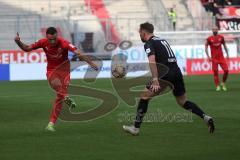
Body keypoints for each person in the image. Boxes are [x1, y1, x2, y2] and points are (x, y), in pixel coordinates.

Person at [123, 22, 215, 135]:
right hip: (176, 72)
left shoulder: (149, 43)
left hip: (164, 74)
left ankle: (135, 128)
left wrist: (155, 79)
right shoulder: (162, 40)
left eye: (140, 33)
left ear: (144, 32)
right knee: (182, 101)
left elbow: (152, 60)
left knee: (144, 96)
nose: (139, 35)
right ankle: (205, 117)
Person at [14, 27, 98, 132]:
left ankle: (51, 124)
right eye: (50, 39)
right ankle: (66, 96)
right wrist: (18, 42)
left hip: (64, 71)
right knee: (56, 84)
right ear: (46, 37)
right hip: (52, 70)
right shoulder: (42, 42)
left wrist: (91, 63)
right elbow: (27, 48)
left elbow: (79, 53)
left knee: (59, 97)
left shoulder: (64, 43)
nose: (53, 42)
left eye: (54, 39)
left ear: (57, 36)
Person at [205, 26, 229, 91]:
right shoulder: (209, 39)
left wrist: (227, 54)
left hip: (221, 57)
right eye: (214, 29)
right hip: (214, 59)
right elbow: (206, 47)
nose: (215, 30)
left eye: (216, 29)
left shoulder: (221, 37)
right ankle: (217, 86)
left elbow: (224, 45)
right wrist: (208, 56)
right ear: (212, 30)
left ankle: (223, 83)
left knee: (226, 70)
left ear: (218, 30)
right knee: (215, 72)